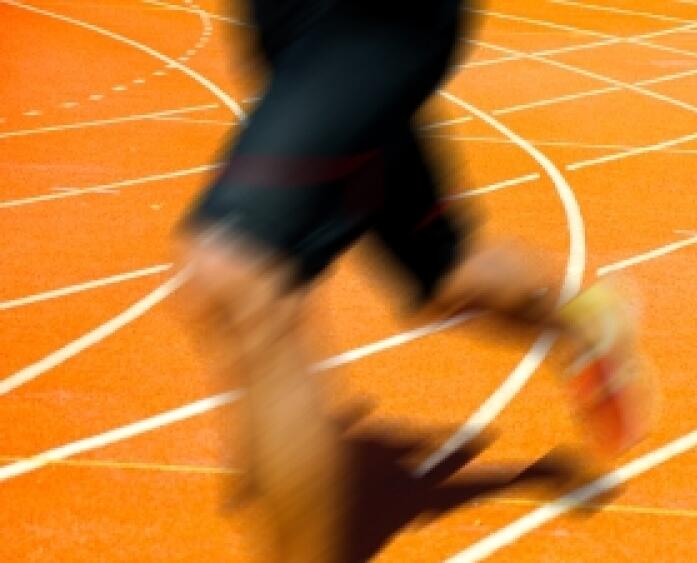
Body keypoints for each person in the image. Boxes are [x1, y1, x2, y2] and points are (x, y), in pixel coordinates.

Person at [179, 0, 648, 560]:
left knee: (238, 275)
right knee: (445, 273)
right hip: (302, 30)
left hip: (363, 21)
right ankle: (586, 321)